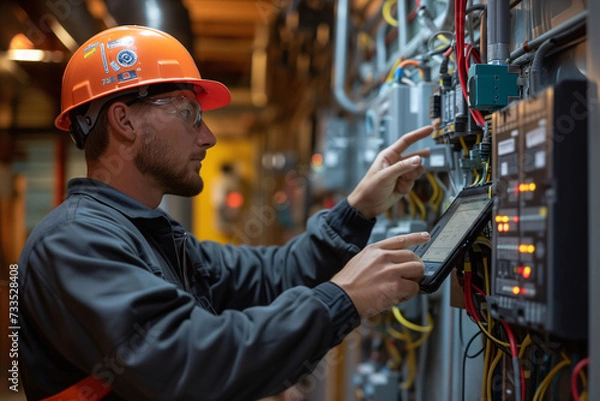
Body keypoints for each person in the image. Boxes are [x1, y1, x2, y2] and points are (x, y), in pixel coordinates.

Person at [18, 25, 433, 401]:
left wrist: (357, 211)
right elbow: (188, 365)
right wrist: (343, 299)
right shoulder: (75, 243)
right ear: (124, 121)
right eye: (189, 115)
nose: (209, 137)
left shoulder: (150, 236)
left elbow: (273, 275)